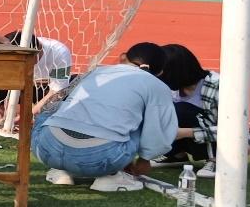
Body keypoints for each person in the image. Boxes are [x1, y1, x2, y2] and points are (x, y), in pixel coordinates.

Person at [33, 42, 178, 192]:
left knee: (52, 111)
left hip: (46, 151)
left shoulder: (94, 72)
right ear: (160, 72)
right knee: (143, 119)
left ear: (123, 57)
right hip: (102, 159)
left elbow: (55, 102)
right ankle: (111, 177)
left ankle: (60, 171)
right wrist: (145, 159)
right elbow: (158, 129)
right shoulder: (157, 85)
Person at [155, 44, 224, 177]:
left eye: (161, 71)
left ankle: (216, 160)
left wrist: (186, 132)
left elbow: (234, 131)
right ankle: (176, 155)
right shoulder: (172, 87)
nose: (158, 75)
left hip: (222, 144)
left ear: (174, 71)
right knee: (162, 110)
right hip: (192, 138)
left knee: (182, 109)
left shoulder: (217, 86)